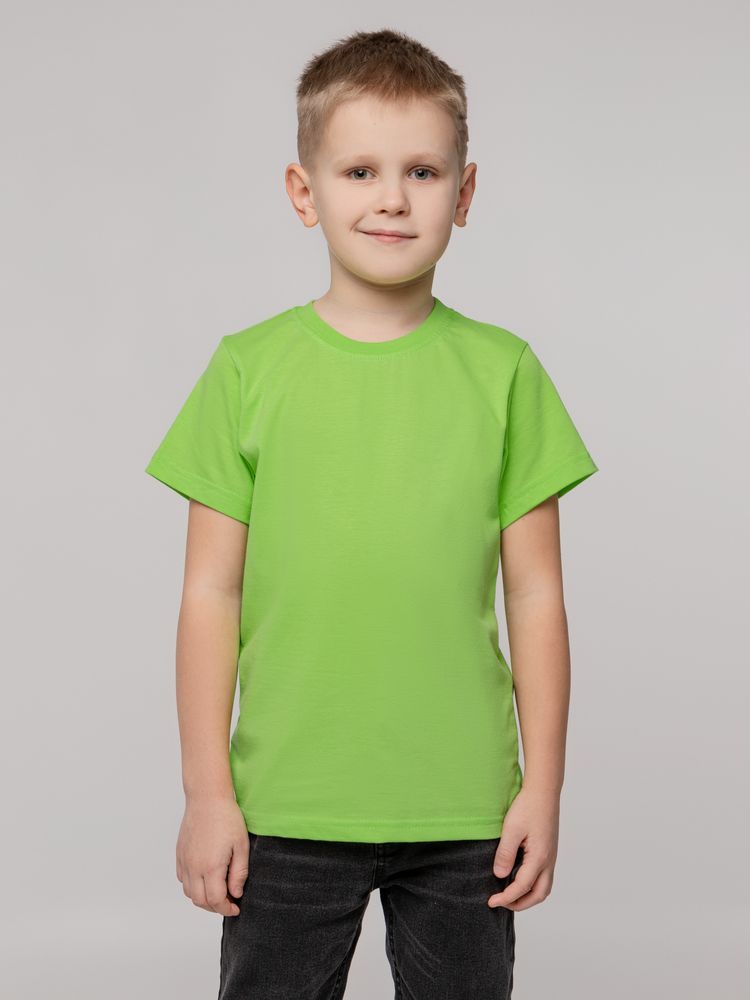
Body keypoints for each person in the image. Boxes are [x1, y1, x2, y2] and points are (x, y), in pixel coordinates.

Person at [144, 27, 599, 1000]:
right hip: (284, 806)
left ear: (463, 194)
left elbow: (537, 596)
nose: (392, 198)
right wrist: (207, 791)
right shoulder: (246, 370)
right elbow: (209, 595)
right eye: (360, 170)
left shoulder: (505, 373)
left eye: (422, 171)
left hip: (466, 811)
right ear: (303, 190)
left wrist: (543, 788)